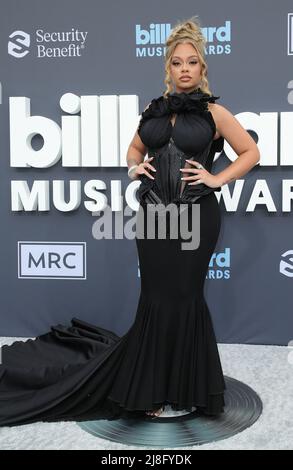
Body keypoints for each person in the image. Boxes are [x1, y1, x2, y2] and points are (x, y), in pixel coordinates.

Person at [0, 17, 260, 427]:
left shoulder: (216, 113)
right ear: (168, 69)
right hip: (153, 217)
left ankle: (187, 389)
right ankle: (153, 388)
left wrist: (216, 179)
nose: (185, 69)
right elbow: (134, 150)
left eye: (193, 62)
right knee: (155, 298)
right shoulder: (152, 110)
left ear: (203, 69)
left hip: (196, 216)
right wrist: (133, 169)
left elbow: (250, 153)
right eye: (177, 63)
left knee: (184, 297)